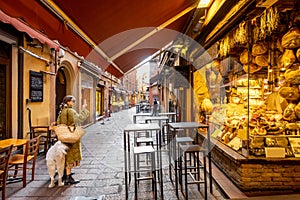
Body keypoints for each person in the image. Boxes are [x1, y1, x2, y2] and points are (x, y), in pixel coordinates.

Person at [56, 95, 89, 185]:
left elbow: (58, 122)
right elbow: (80, 119)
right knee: (70, 155)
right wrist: (84, 109)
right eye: (73, 101)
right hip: (71, 136)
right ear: (68, 102)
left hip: (63, 135)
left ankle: (64, 174)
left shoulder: (62, 111)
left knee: (65, 155)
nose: (74, 103)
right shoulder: (71, 111)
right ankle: (68, 177)